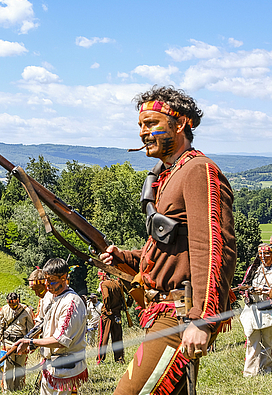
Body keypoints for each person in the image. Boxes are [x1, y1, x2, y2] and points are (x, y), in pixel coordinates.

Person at [100, 86, 236, 395]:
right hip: (163, 312)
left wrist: (202, 319)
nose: (142, 132)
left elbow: (214, 248)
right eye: (140, 126)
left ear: (180, 124)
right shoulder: (168, 174)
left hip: (180, 315)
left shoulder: (197, 170)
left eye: (150, 123)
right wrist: (124, 257)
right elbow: (170, 251)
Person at [15, 258, 88, 395]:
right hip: (52, 367)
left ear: (64, 278)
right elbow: (43, 324)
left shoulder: (71, 303)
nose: (47, 284)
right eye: (46, 279)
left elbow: (60, 341)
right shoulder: (51, 296)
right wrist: (31, 343)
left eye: (51, 280)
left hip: (65, 369)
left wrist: (31, 342)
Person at [239, 244, 272, 376]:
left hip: (269, 310)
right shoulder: (254, 269)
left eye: (267, 254)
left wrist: (267, 291)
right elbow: (244, 285)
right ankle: (250, 372)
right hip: (253, 310)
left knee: (267, 342)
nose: (264, 257)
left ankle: (266, 370)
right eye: (261, 254)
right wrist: (247, 290)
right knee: (252, 342)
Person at [0, 293, 35, 391]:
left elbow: (31, 329)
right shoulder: (4, 309)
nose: (12, 307)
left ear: (18, 301)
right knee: (7, 367)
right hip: (8, 342)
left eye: (14, 305)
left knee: (20, 367)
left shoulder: (27, 311)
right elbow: (0, 326)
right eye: (10, 305)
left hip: (21, 342)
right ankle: (7, 390)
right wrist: (0, 340)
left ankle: (19, 389)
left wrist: (29, 344)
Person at [97, 270, 127, 363]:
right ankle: (119, 358)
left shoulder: (104, 284)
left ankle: (100, 359)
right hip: (117, 314)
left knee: (103, 337)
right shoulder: (118, 283)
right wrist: (126, 306)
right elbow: (129, 294)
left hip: (108, 315)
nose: (99, 278)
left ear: (103, 275)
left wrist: (107, 308)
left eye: (99, 276)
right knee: (117, 337)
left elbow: (106, 297)